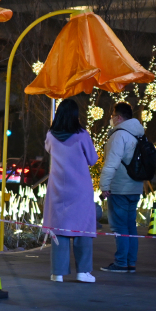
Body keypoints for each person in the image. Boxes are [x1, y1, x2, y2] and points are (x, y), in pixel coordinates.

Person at [43, 99, 100, 283]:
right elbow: (92, 159)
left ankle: (57, 273)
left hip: (57, 187)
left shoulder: (51, 135)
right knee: (83, 228)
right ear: (76, 115)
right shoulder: (81, 135)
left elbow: (48, 150)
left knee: (59, 229)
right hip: (80, 188)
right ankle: (83, 272)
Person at [99, 102, 145, 273]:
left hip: (119, 187)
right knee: (130, 226)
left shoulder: (119, 135)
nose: (111, 119)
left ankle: (120, 263)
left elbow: (111, 164)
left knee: (119, 227)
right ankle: (130, 262)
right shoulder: (139, 134)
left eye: (112, 116)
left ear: (118, 117)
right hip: (135, 186)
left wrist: (104, 185)